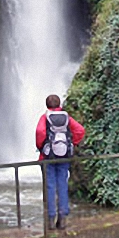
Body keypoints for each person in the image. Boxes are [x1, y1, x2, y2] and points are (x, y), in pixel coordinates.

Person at [35, 94, 85, 230]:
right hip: (64, 156)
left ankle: (51, 219)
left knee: (50, 186)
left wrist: (42, 148)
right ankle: (62, 219)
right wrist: (71, 144)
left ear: (47, 105)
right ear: (59, 105)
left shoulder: (45, 117)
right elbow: (80, 130)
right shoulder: (66, 117)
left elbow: (40, 132)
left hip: (48, 158)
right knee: (62, 184)